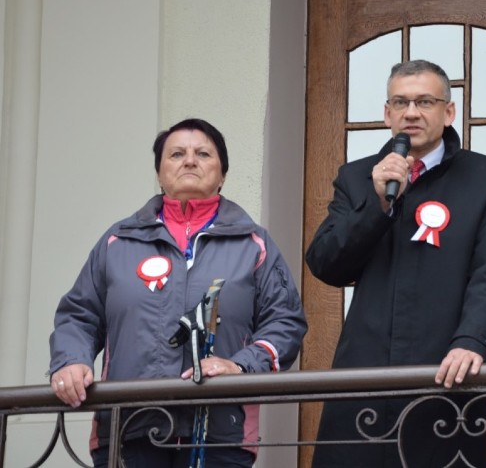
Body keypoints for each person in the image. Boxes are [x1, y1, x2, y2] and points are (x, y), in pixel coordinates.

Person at [49, 118, 307, 468]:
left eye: (203, 153)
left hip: (221, 432)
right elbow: (79, 315)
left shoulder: (253, 244)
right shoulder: (118, 241)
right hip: (128, 430)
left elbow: (286, 322)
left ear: (223, 173)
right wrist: (71, 359)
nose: (189, 161)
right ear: (159, 172)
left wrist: (242, 366)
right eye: (176, 154)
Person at [306, 60, 486, 468]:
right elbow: (326, 263)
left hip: (447, 373)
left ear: (449, 111)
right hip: (364, 379)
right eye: (401, 102)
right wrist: (377, 202)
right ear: (387, 114)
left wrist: (473, 340)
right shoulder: (357, 178)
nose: (412, 112)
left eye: (425, 101)